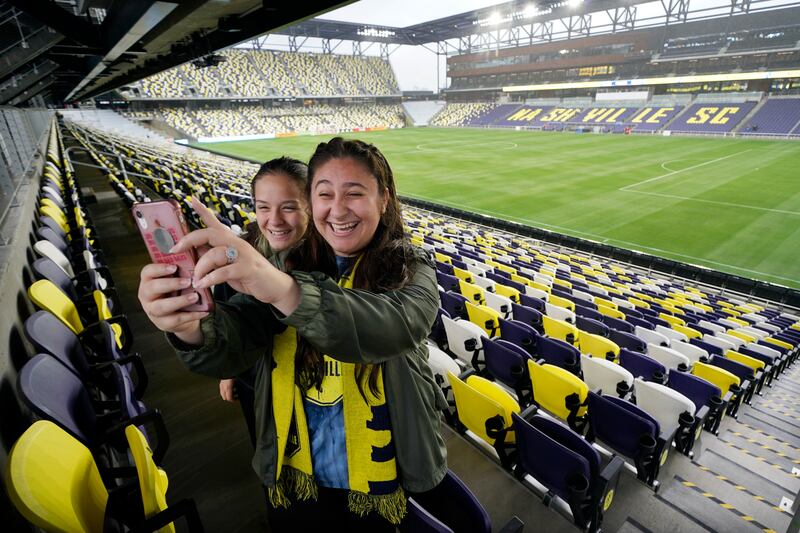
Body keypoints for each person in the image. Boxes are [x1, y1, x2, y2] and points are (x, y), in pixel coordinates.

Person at [138, 137, 447, 531]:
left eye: (354, 193)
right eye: (324, 195)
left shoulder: (413, 267)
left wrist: (284, 290)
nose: (337, 210)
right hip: (293, 469)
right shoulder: (287, 264)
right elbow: (238, 341)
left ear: (383, 199)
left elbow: (388, 328)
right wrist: (190, 328)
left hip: (386, 478)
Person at [216, 157, 310, 448]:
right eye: (263, 207)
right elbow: (226, 323)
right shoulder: (238, 256)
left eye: (289, 207)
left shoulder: (331, 259)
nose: (275, 220)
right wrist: (229, 370)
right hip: (256, 385)